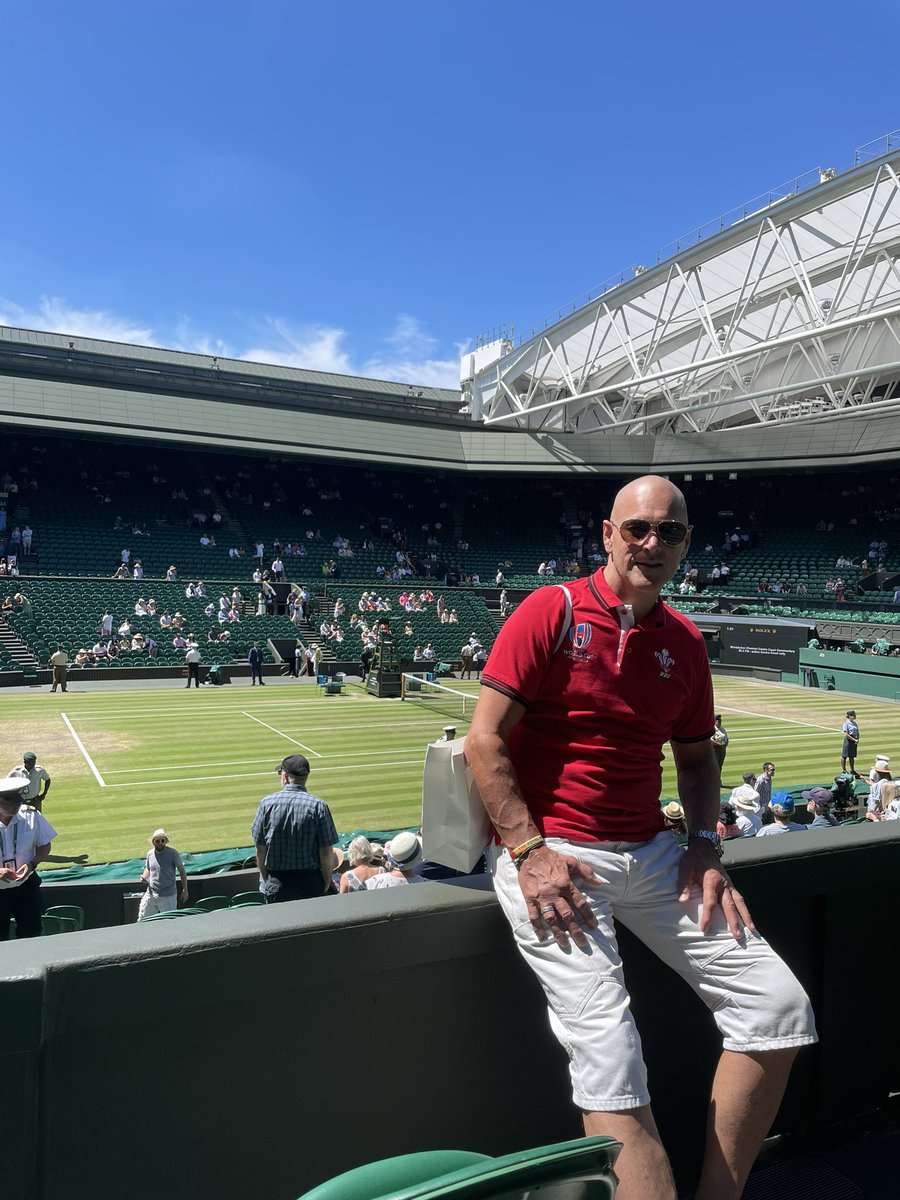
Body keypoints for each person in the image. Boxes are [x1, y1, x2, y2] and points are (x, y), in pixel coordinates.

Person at [465, 474, 815, 1200]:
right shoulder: (551, 609)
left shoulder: (685, 642)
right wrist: (529, 853)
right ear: (607, 534)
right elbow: (484, 742)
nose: (653, 543)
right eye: (638, 529)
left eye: (671, 532)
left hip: (655, 853)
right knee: (611, 1055)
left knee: (779, 1008)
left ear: (688, 546)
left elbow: (694, 757)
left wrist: (706, 847)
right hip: (554, 852)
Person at [251, 754, 338, 902]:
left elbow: (260, 848)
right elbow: (326, 852)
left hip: (277, 884)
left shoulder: (266, 804)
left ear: (285, 776)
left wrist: (266, 879)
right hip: (311, 884)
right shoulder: (319, 806)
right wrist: (326, 882)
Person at [0, 776, 57, 940]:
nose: (16, 805)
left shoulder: (31, 816)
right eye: (9, 801)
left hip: (26, 887)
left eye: (18, 801)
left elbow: (45, 846)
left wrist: (31, 864)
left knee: (31, 935)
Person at [138, 829, 189, 919]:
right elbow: (148, 868)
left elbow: (182, 871)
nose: (160, 843)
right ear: (153, 842)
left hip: (168, 896)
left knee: (169, 922)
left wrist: (185, 889)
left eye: (163, 841)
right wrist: (144, 877)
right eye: (158, 841)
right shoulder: (150, 854)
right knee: (143, 919)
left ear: (166, 841)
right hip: (151, 894)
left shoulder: (173, 853)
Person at [841, 710, 860, 777]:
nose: (855, 716)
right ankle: (844, 770)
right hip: (848, 740)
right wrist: (854, 739)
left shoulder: (854, 723)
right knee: (844, 755)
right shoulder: (846, 723)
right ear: (849, 716)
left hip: (854, 740)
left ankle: (852, 770)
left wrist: (857, 739)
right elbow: (846, 734)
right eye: (853, 715)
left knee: (852, 756)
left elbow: (857, 731)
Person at [710, 715, 728, 780]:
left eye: (720, 720)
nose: (719, 722)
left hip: (722, 751)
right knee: (715, 767)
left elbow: (726, 739)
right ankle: (713, 781)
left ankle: (718, 781)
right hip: (715, 751)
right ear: (715, 721)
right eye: (718, 720)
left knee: (719, 766)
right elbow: (711, 741)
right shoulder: (712, 729)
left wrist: (725, 745)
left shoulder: (722, 729)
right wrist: (720, 745)